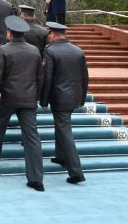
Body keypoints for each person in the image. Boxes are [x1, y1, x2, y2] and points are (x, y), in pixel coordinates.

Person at [0, 16, 45, 192]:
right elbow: (40, 77)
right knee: (32, 137)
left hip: (9, 98)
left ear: (10, 33)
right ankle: (36, 178)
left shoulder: (4, 50)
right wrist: (38, 97)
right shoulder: (35, 51)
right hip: (29, 99)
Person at [41, 21, 89, 185]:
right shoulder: (78, 50)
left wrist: (44, 99)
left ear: (53, 35)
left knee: (65, 132)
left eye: (49, 34)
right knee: (61, 127)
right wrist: (82, 98)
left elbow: (48, 78)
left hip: (59, 97)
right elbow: (85, 77)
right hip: (74, 96)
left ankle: (76, 172)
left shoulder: (50, 51)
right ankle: (60, 156)